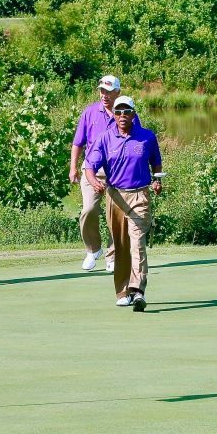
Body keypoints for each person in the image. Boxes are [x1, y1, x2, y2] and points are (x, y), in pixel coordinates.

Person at [84, 96, 162, 311]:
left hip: (139, 195)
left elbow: (156, 163)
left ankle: (138, 291)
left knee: (137, 243)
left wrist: (157, 181)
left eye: (126, 111)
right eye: (118, 112)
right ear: (114, 116)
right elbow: (90, 166)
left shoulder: (147, 137)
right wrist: (94, 182)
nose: (122, 115)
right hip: (115, 196)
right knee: (120, 246)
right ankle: (123, 291)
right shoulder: (105, 138)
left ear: (133, 114)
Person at [69, 75, 129, 272]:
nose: (104, 95)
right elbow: (78, 142)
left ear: (118, 93)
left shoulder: (126, 113)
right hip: (91, 169)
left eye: (109, 92)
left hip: (118, 171)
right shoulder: (90, 112)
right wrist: (73, 167)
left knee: (116, 214)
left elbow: (136, 141)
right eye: (102, 91)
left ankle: (113, 256)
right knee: (88, 210)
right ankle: (93, 249)